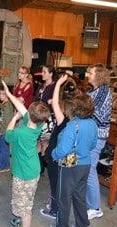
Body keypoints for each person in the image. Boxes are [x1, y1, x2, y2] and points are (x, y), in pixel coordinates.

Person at [2, 80, 50, 227]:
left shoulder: (20, 132)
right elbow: (21, 107)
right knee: (19, 198)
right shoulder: (37, 125)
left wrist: (14, 118)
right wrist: (9, 94)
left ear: (29, 115)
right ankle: (21, 218)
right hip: (30, 169)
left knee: (25, 204)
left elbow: (7, 135)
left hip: (25, 173)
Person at [50, 94, 97, 227]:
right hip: (85, 164)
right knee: (79, 196)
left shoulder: (72, 126)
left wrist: (53, 154)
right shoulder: (93, 124)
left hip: (70, 166)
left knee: (64, 197)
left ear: (76, 108)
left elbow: (63, 149)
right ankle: (83, 225)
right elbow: (93, 144)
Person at [39, 74, 76, 219]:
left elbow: (54, 102)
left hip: (58, 157)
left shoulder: (63, 121)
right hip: (70, 157)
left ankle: (55, 210)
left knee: (56, 184)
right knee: (64, 184)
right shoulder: (77, 120)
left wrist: (58, 84)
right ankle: (58, 204)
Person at [85, 64, 112, 220]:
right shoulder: (93, 91)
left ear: (99, 75)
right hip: (90, 135)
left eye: (91, 72)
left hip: (97, 136)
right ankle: (89, 201)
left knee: (90, 170)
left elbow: (94, 113)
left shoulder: (103, 91)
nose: (88, 74)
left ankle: (95, 207)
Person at [35, 65, 57, 174]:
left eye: (44, 72)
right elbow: (36, 99)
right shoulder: (41, 86)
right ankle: (39, 165)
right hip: (38, 116)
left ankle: (43, 165)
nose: (42, 73)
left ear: (51, 74)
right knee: (38, 140)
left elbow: (56, 102)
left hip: (48, 118)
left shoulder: (54, 87)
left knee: (44, 142)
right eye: (42, 71)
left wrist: (51, 101)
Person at [0, 88, 14, 171]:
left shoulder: (8, 106)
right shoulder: (4, 104)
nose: (0, 96)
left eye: (3, 94)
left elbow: (7, 120)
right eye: (0, 94)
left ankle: (3, 166)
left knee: (2, 149)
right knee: (2, 148)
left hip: (4, 131)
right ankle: (3, 165)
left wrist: (1, 131)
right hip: (3, 130)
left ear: (8, 95)